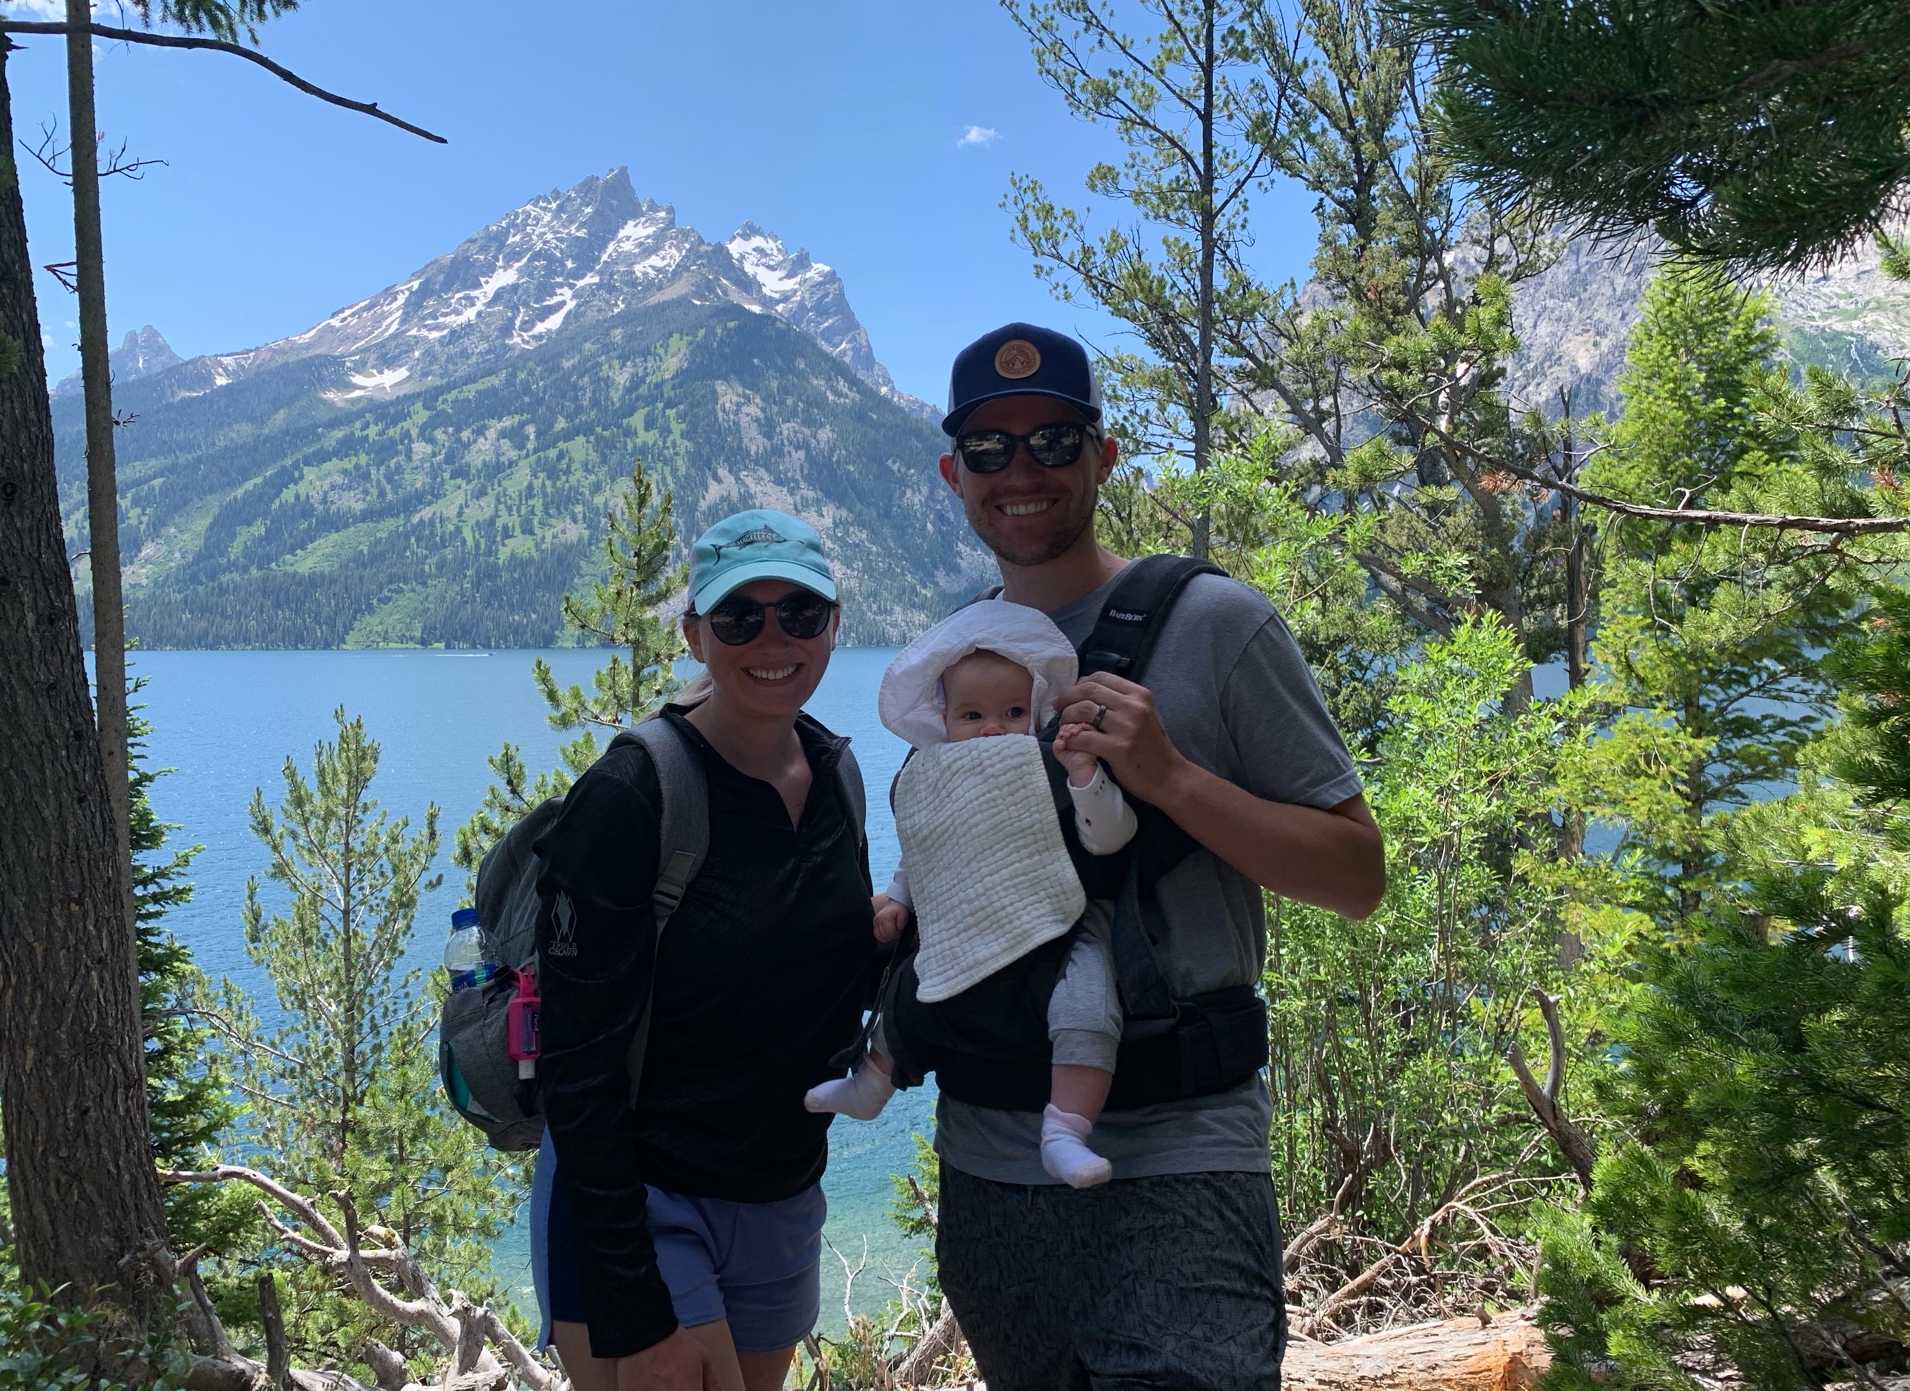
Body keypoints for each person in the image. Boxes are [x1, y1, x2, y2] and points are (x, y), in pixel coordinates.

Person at [925, 323, 1389, 1391]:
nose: (1021, 471)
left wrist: (1170, 777)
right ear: (956, 476)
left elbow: (1355, 877)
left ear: (1103, 456)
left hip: (1181, 1158)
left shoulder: (1218, 624)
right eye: (989, 449)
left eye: (1053, 440)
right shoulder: (958, 652)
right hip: (986, 1165)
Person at [531, 508, 878, 1391]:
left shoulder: (836, 775)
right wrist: (636, 1308)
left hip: (781, 1197)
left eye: (800, 613)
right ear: (694, 635)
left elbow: (818, 974)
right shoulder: (633, 794)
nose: (774, 638)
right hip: (642, 1200)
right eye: (739, 617)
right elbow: (577, 1064)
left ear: (834, 624)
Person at [803, 601, 1137, 1188]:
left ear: (1036, 711)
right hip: (964, 918)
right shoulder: (935, 773)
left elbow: (1110, 839)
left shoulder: (1050, 764)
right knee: (911, 989)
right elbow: (925, 848)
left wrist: (1085, 777)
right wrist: (899, 900)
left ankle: (1066, 1129)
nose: (992, 729)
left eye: (1012, 712)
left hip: (1056, 922)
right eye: (972, 714)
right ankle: (871, 1083)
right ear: (944, 718)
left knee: (1087, 1003)